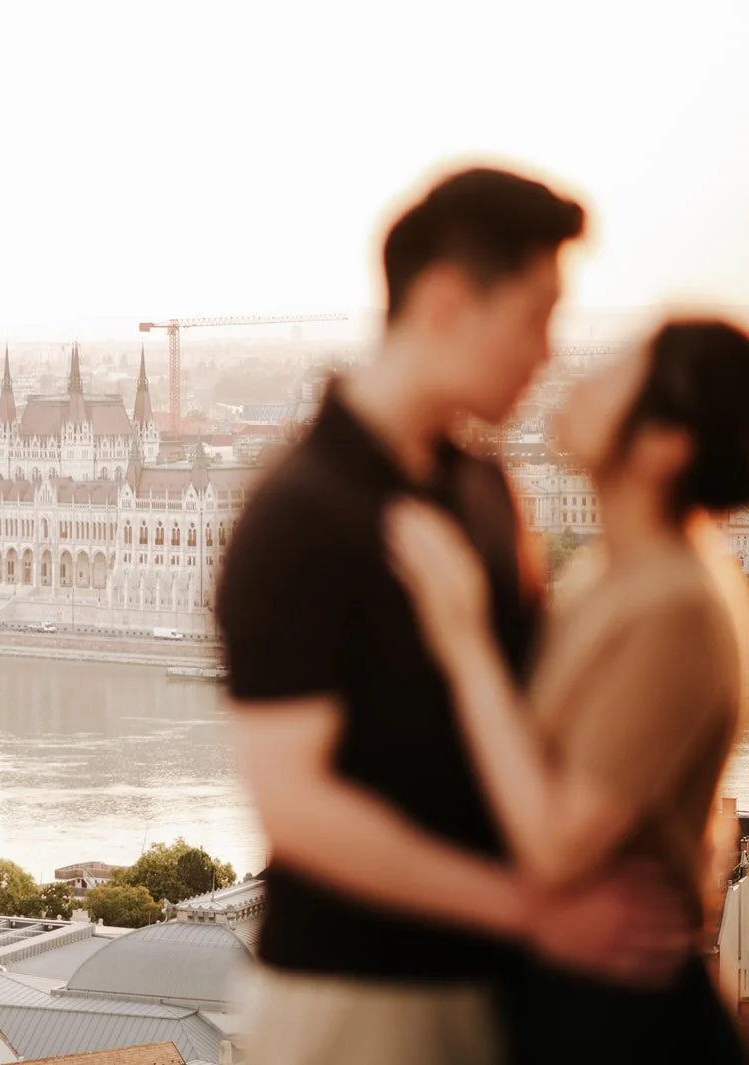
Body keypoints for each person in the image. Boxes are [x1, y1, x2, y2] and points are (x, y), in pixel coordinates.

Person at [215, 167, 692, 1065]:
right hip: (359, 997)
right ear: (444, 302)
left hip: (500, 986)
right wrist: (535, 911)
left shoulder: (487, 489)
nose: (548, 354)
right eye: (535, 318)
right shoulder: (298, 514)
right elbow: (298, 807)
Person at [386, 318, 749, 1064]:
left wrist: (464, 644)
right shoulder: (608, 578)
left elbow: (556, 843)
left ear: (663, 445)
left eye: (614, 374)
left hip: (624, 1019)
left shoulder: (675, 604)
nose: (575, 378)